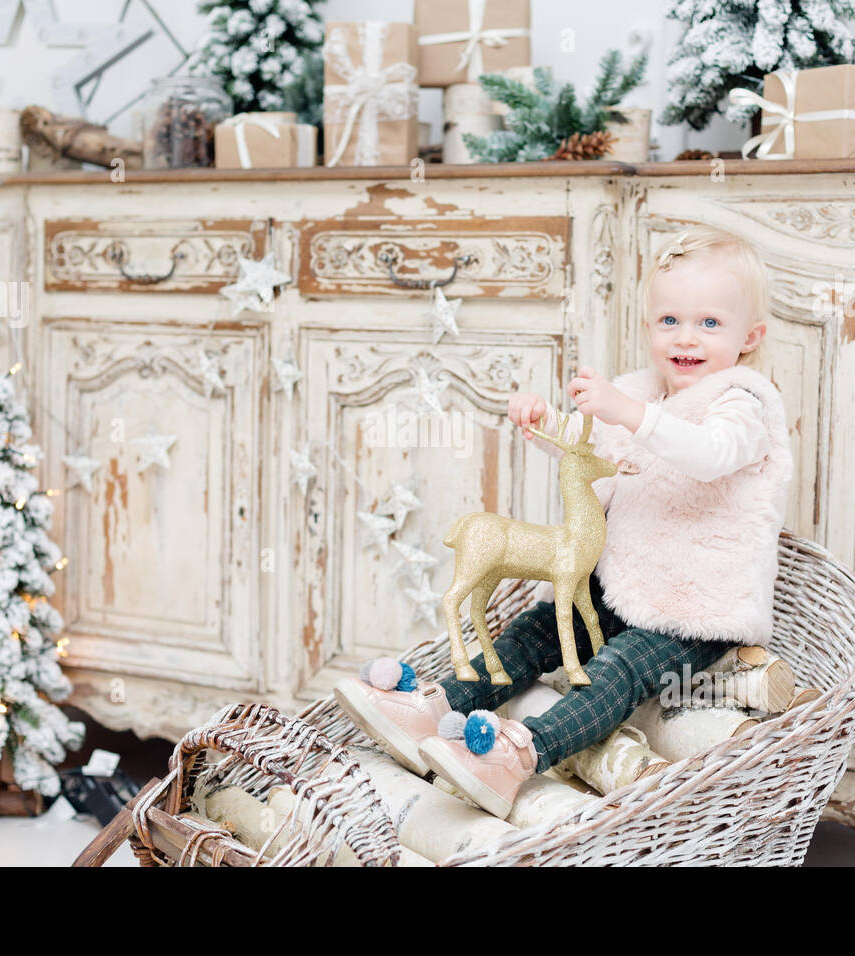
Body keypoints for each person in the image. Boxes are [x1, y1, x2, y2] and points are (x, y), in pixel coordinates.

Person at [334, 224, 795, 819]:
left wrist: (628, 413)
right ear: (649, 325)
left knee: (617, 670)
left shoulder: (744, 402)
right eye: (670, 321)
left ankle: (521, 756)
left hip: (697, 610)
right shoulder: (641, 392)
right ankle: (437, 707)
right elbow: (591, 454)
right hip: (621, 582)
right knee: (536, 629)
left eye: (710, 324)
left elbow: (708, 454)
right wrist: (544, 423)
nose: (687, 338)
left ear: (749, 337)